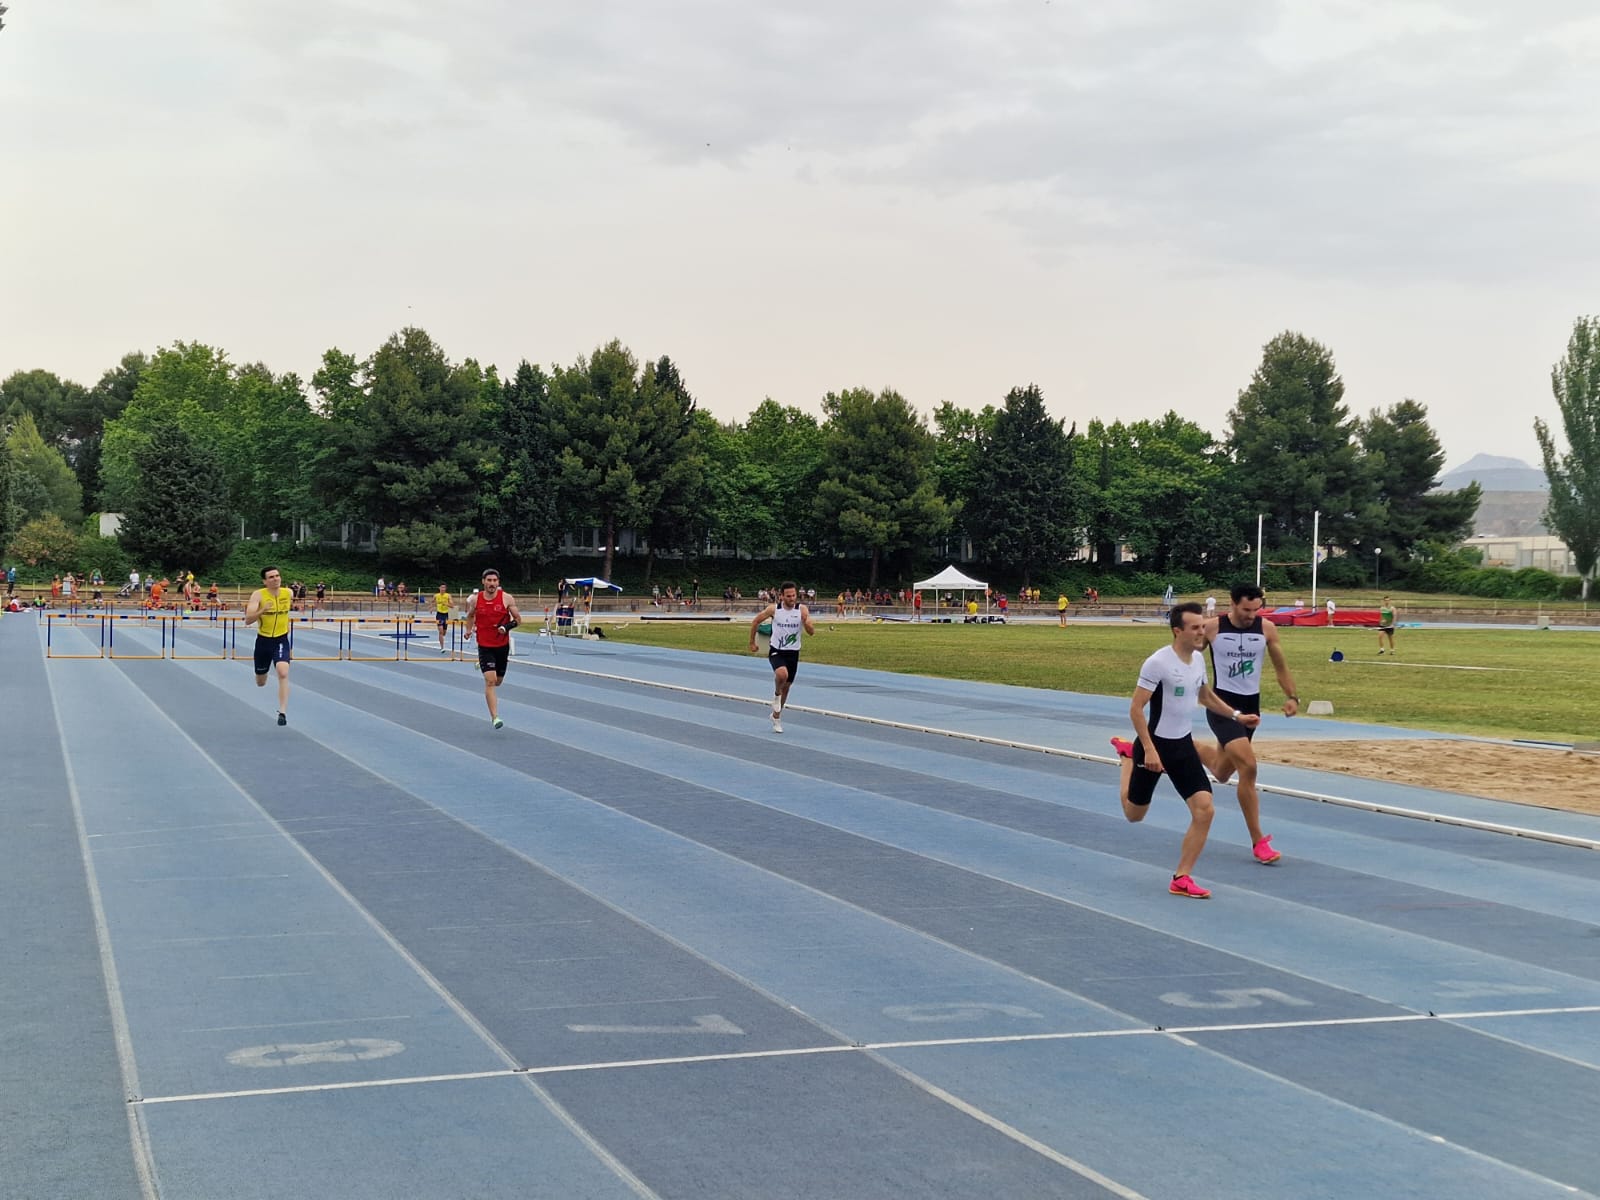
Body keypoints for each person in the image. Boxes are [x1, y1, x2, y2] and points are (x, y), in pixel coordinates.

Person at [1117, 602, 1260, 898]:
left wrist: (1236, 716)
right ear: (1178, 631)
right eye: (1195, 627)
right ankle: (1127, 760)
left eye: (1203, 626)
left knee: (1205, 809)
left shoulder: (1197, 660)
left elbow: (1205, 696)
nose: (1202, 632)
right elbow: (1136, 709)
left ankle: (1181, 877)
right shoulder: (1157, 663)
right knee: (1134, 815)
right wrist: (1147, 749)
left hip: (1182, 745)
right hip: (1153, 747)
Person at [1199, 582, 1299, 864]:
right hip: (1222, 706)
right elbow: (1186, 659)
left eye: (1256, 609)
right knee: (1249, 766)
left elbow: (1281, 667)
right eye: (1246, 609)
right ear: (1231, 603)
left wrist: (1293, 697)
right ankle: (1258, 841)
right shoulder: (1212, 628)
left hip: (1251, 707)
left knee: (1221, 771)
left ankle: (1183, 745)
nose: (1251, 615)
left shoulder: (1266, 629)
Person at [748, 580, 815, 734]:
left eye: (794, 595)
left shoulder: (802, 610)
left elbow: (811, 632)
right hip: (777, 650)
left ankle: (776, 717)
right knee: (781, 674)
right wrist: (752, 642)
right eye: (789, 596)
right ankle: (776, 694)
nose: (792, 598)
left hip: (793, 653)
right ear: (781, 596)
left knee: (787, 687)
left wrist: (807, 623)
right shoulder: (774, 609)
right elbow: (756, 621)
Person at [463, 568, 521, 729]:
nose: (492, 584)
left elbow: (518, 620)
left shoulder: (507, 598)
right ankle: (495, 717)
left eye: (494, 581)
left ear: (498, 582)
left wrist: (506, 627)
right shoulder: (476, 600)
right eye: (489, 581)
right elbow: (470, 616)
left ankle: (481, 665)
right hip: (484, 645)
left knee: (498, 682)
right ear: (483, 582)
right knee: (490, 681)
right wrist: (468, 630)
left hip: (502, 645)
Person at [244, 566, 293, 726]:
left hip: (281, 639)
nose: (276, 579)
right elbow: (248, 619)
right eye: (271, 577)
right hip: (263, 641)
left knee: (283, 672)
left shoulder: (288, 593)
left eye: (277, 575)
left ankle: (283, 712)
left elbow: (286, 615)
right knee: (261, 681)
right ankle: (261, 673)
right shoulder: (258, 595)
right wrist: (262, 610)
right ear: (265, 581)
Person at [434, 581, 453, 654]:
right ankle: (442, 647)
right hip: (439, 614)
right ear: (439, 588)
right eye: (441, 587)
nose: (443, 589)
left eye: (444, 587)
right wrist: (431, 608)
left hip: (446, 615)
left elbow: (452, 606)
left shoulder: (448, 596)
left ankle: (442, 637)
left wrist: (446, 604)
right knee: (441, 631)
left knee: (444, 632)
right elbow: (433, 602)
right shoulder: (436, 595)